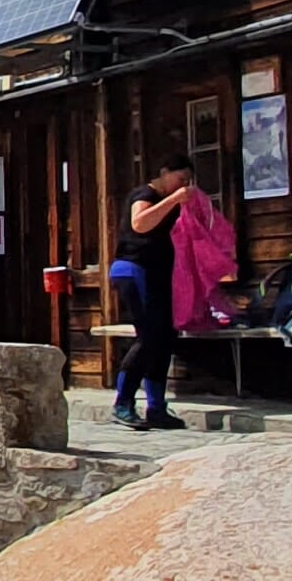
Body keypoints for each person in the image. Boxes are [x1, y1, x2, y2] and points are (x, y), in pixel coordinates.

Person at [111, 158, 226, 432]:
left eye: (188, 181)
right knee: (149, 336)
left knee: (164, 337)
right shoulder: (146, 194)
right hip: (134, 270)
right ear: (164, 174)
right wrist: (174, 199)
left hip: (160, 275)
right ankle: (123, 401)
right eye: (179, 179)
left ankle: (157, 407)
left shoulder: (174, 203)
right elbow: (140, 223)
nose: (183, 185)